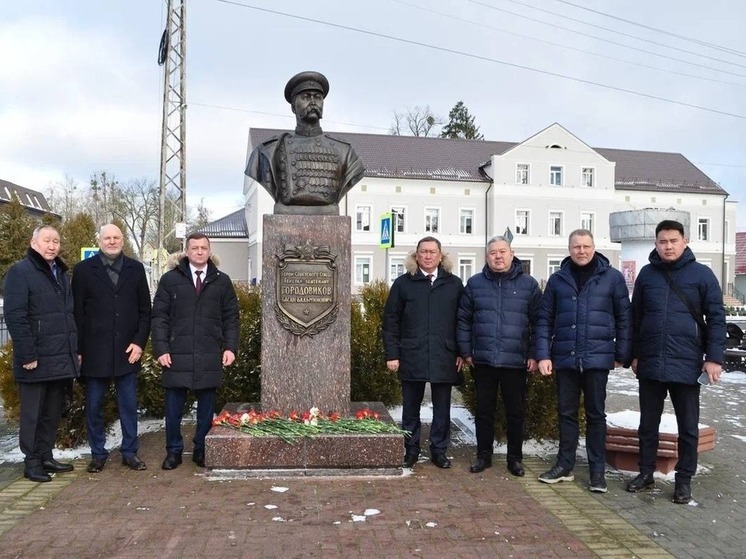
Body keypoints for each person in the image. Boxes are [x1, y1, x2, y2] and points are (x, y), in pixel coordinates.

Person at [626, 220, 726, 504]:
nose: (668, 246)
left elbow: (717, 318)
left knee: (688, 427)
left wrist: (714, 358)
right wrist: (634, 354)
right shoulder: (646, 275)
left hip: (687, 362)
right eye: (662, 241)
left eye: (673, 240)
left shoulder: (702, 275)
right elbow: (636, 318)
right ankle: (645, 473)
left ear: (685, 241)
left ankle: (684, 480)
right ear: (656, 243)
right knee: (648, 424)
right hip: (651, 362)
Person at [535, 229, 631, 492]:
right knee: (566, 414)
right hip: (565, 358)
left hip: (597, 359)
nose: (581, 251)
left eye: (586, 246)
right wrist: (543, 354)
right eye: (576, 246)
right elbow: (544, 320)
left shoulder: (611, 278)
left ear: (594, 247)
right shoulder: (557, 280)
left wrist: (621, 354)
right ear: (569, 249)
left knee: (596, 415)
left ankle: (597, 472)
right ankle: (564, 466)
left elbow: (624, 318)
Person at [151, 233, 239, 470]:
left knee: (206, 409)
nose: (199, 252)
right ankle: (173, 451)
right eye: (194, 248)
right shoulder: (170, 280)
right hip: (176, 354)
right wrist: (161, 348)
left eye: (203, 248)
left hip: (209, 353)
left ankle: (201, 448)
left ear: (209, 252)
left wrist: (230, 347)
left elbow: (231, 318)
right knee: (173, 409)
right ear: (186, 251)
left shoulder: (222, 281)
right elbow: (159, 317)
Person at [457, 236, 541, 477]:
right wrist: (466, 351)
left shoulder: (529, 285)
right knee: (484, 411)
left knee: (516, 412)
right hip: (483, 360)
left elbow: (540, 322)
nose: (498, 256)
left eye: (502, 251)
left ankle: (515, 459)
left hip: (516, 362)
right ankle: (484, 455)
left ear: (512, 254)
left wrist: (534, 353)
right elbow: (463, 319)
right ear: (487, 257)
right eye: (493, 252)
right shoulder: (475, 284)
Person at [72, 224, 151, 473]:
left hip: (128, 351)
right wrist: (78, 349)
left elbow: (145, 312)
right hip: (95, 352)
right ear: (100, 240)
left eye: (116, 237)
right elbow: (77, 313)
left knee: (128, 405)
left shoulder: (136, 269)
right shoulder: (83, 270)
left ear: (123, 240)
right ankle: (98, 453)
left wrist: (139, 342)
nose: (112, 241)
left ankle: (130, 452)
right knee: (94, 406)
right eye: (107, 237)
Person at [3, 225, 78, 482]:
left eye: (56, 241)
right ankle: (32, 462)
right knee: (33, 414)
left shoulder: (61, 274)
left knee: (51, 411)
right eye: (46, 240)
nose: (52, 245)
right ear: (34, 243)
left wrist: (74, 351)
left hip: (59, 358)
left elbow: (69, 317)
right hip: (35, 359)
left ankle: (45, 455)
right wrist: (27, 355)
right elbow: (16, 317)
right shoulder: (20, 272)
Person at [382, 236, 464, 469]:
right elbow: (391, 321)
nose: (428, 256)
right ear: (416, 256)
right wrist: (392, 354)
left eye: (432, 252)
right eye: (423, 252)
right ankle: (411, 449)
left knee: (442, 408)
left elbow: (463, 321)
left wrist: (462, 351)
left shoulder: (454, 284)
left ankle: (439, 450)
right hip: (411, 354)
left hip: (444, 355)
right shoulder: (403, 284)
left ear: (441, 256)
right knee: (410, 408)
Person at [245, 70, 365, 215]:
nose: (313, 102)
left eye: (318, 97)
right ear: (293, 107)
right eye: (305, 97)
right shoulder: (268, 151)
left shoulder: (345, 152)